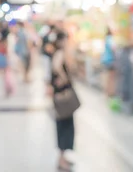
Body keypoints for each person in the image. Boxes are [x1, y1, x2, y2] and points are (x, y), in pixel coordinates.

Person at [49, 32, 75, 171]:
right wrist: (65, 78)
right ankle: (61, 159)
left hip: (60, 96)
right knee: (64, 126)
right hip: (62, 96)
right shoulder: (60, 53)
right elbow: (56, 67)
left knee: (65, 125)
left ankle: (63, 157)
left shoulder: (58, 52)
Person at [101, 28, 117, 98]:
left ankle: (107, 92)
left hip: (106, 60)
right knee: (111, 77)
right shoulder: (110, 38)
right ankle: (110, 93)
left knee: (108, 77)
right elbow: (113, 48)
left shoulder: (106, 38)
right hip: (110, 60)